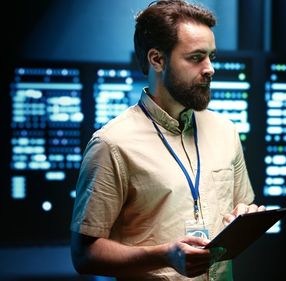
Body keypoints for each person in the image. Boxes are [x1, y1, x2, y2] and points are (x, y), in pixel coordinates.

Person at [70, 1, 265, 280]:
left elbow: (240, 205)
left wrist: (242, 216)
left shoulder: (226, 130)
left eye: (211, 56)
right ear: (157, 59)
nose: (210, 69)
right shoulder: (111, 144)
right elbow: (84, 255)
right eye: (197, 57)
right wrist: (164, 256)